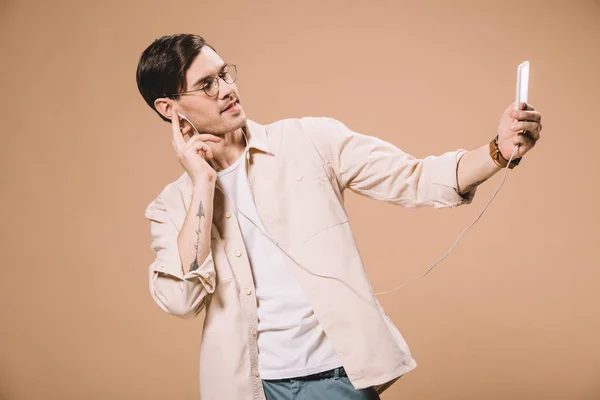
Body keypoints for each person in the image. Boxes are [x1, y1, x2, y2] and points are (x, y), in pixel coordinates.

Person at [136, 33, 542, 400]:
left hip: (336, 380)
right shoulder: (173, 206)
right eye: (207, 85)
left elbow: (414, 177)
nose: (227, 90)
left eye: (225, 75)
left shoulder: (309, 140)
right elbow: (180, 300)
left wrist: (498, 150)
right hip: (246, 388)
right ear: (170, 108)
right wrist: (203, 183)